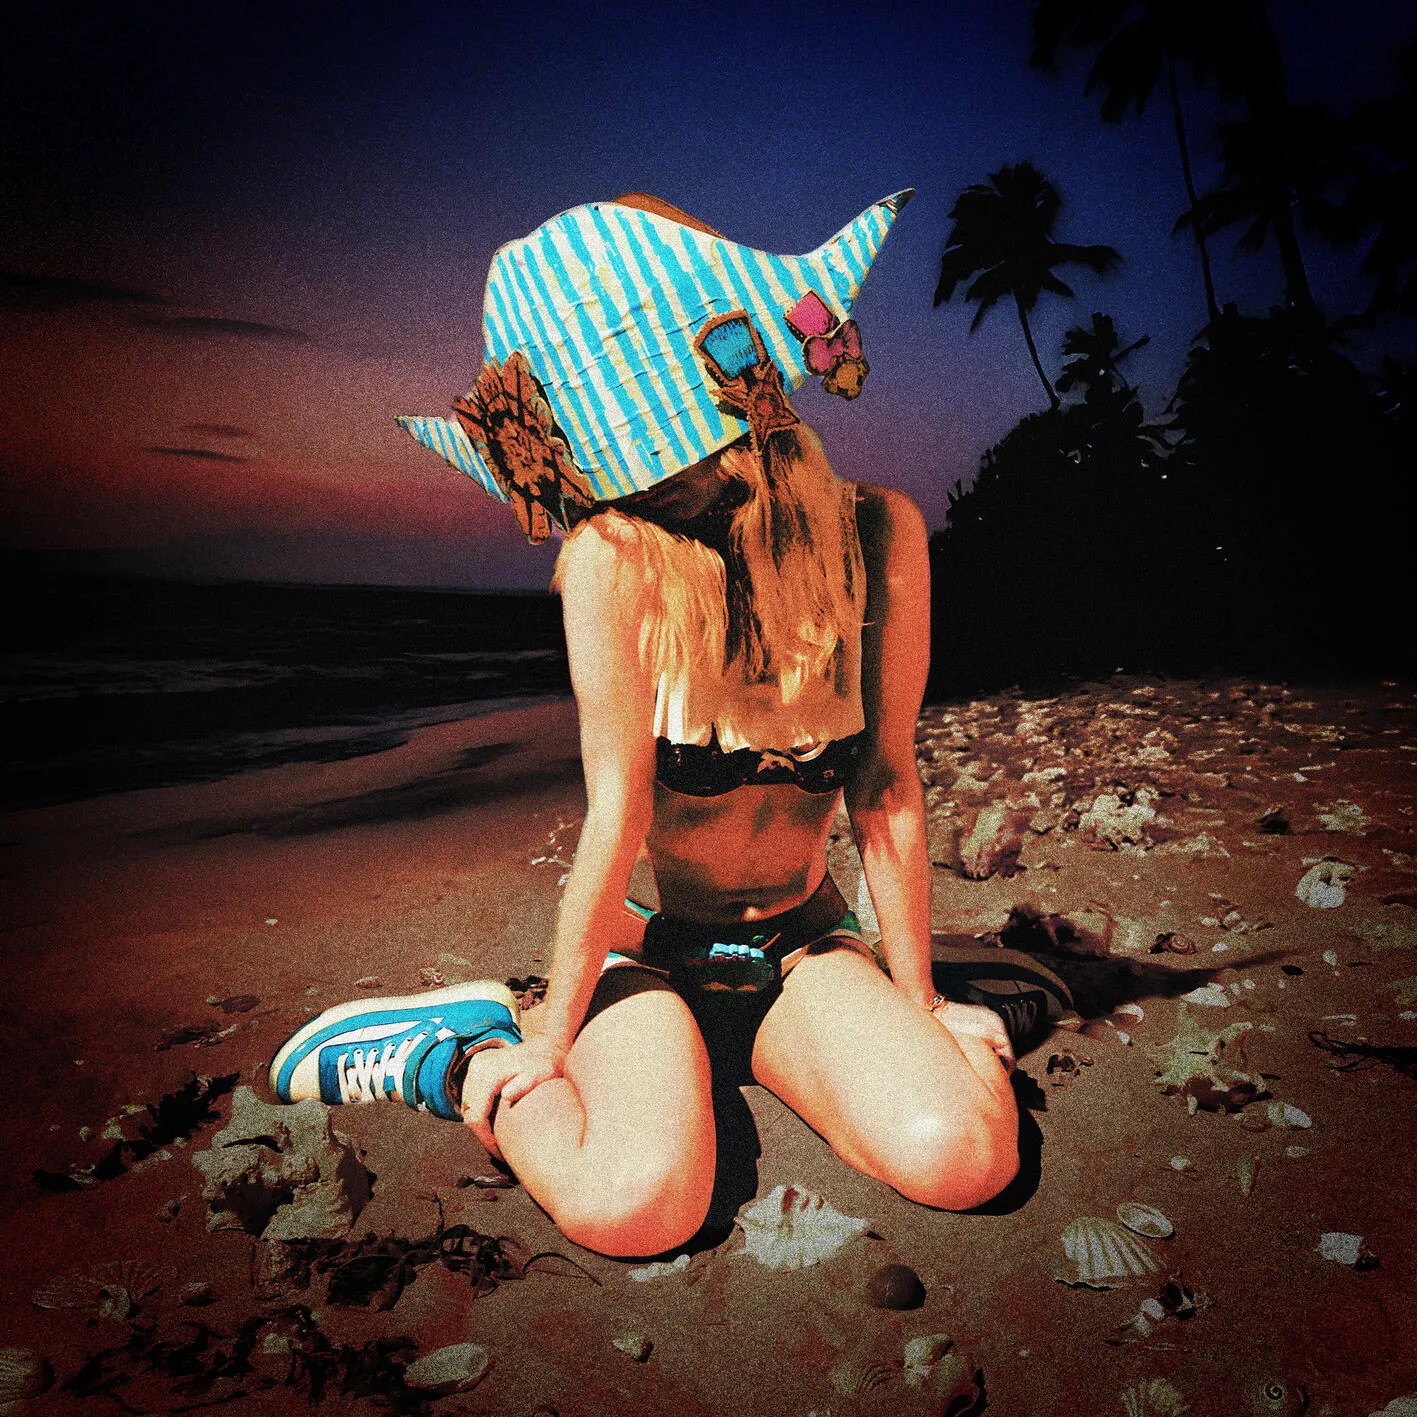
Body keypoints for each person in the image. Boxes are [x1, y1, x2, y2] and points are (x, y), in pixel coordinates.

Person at [269, 189, 1070, 1258]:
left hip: (804, 944)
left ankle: (955, 994)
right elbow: (617, 814)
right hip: (650, 952)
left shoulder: (882, 533)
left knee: (965, 1160)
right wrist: (551, 1040)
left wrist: (919, 999)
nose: (647, 474)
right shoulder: (611, 558)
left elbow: (883, 783)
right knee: (634, 1208)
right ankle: (456, 1052)